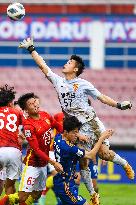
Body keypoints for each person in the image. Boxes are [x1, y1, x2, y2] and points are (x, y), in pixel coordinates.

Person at [19, 38, 134, 203]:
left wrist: (118, 105)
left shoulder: (83, 84)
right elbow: (43, 67)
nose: (66, 63)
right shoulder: (58, 82)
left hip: (91, 123)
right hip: (77, 128)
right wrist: (31, 49)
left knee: (104, 154)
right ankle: (93, 195)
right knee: (83, 161)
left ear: (76, 68)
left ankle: (124, 164)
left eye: (69, 62)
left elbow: (101, 97)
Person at [0, 93, 63, 205]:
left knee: (36, 194)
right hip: (32, 164)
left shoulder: (45, 115)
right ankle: (5, 200)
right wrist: (53, 162)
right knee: (22, 196)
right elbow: (36, 150)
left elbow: (58, 126)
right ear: (26, 110)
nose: (35, 104)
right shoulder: (28, 125)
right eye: (31, 103)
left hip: (43, 164)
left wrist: (73, 134)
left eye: (35, 101)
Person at [53, 116, 114, 205]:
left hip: (62, 180)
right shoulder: (69, 148)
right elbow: (91, 155)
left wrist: (78, 135)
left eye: (77, 132)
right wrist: (102, 138)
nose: (76, 135)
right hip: (65, 185)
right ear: (66, 132)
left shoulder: (58, 137)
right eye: (74, 133)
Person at [0, 84, 23, 197]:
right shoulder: (17, 112)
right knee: (9, 186)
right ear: (10, 103)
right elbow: (28, 125)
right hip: (14, 151)